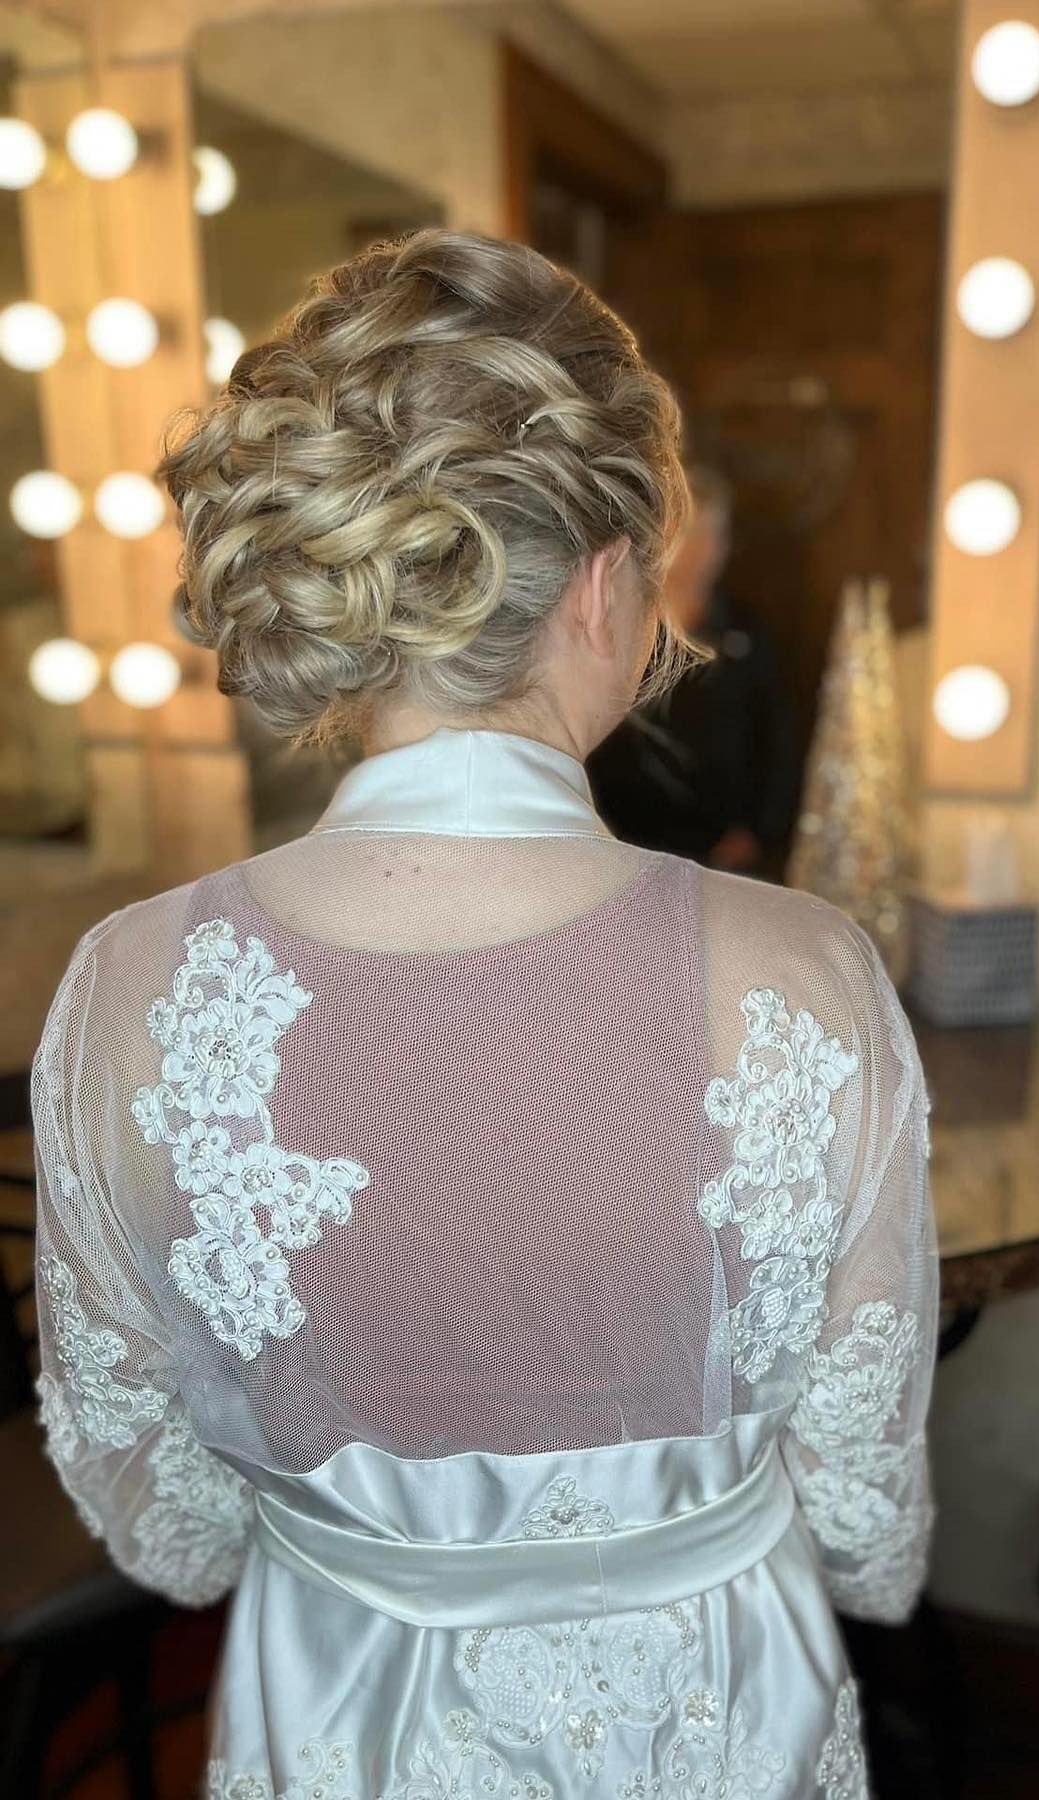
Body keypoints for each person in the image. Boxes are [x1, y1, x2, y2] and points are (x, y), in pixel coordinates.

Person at [30, 229, 937, 1798]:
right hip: (715, 1709)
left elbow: (162, 1517)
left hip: (339, 1698)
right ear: (601, 582)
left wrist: (348, 1538)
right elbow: (863, 1503)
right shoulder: (806, 976)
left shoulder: (126, 988)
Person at [587, 467, 800, 877]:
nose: (700, 551)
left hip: (723, 849)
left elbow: (778, 737)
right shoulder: (617, 623)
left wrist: (758, 831)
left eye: (712, 536)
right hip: (623, 839)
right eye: (689, 534)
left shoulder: (745, 629)